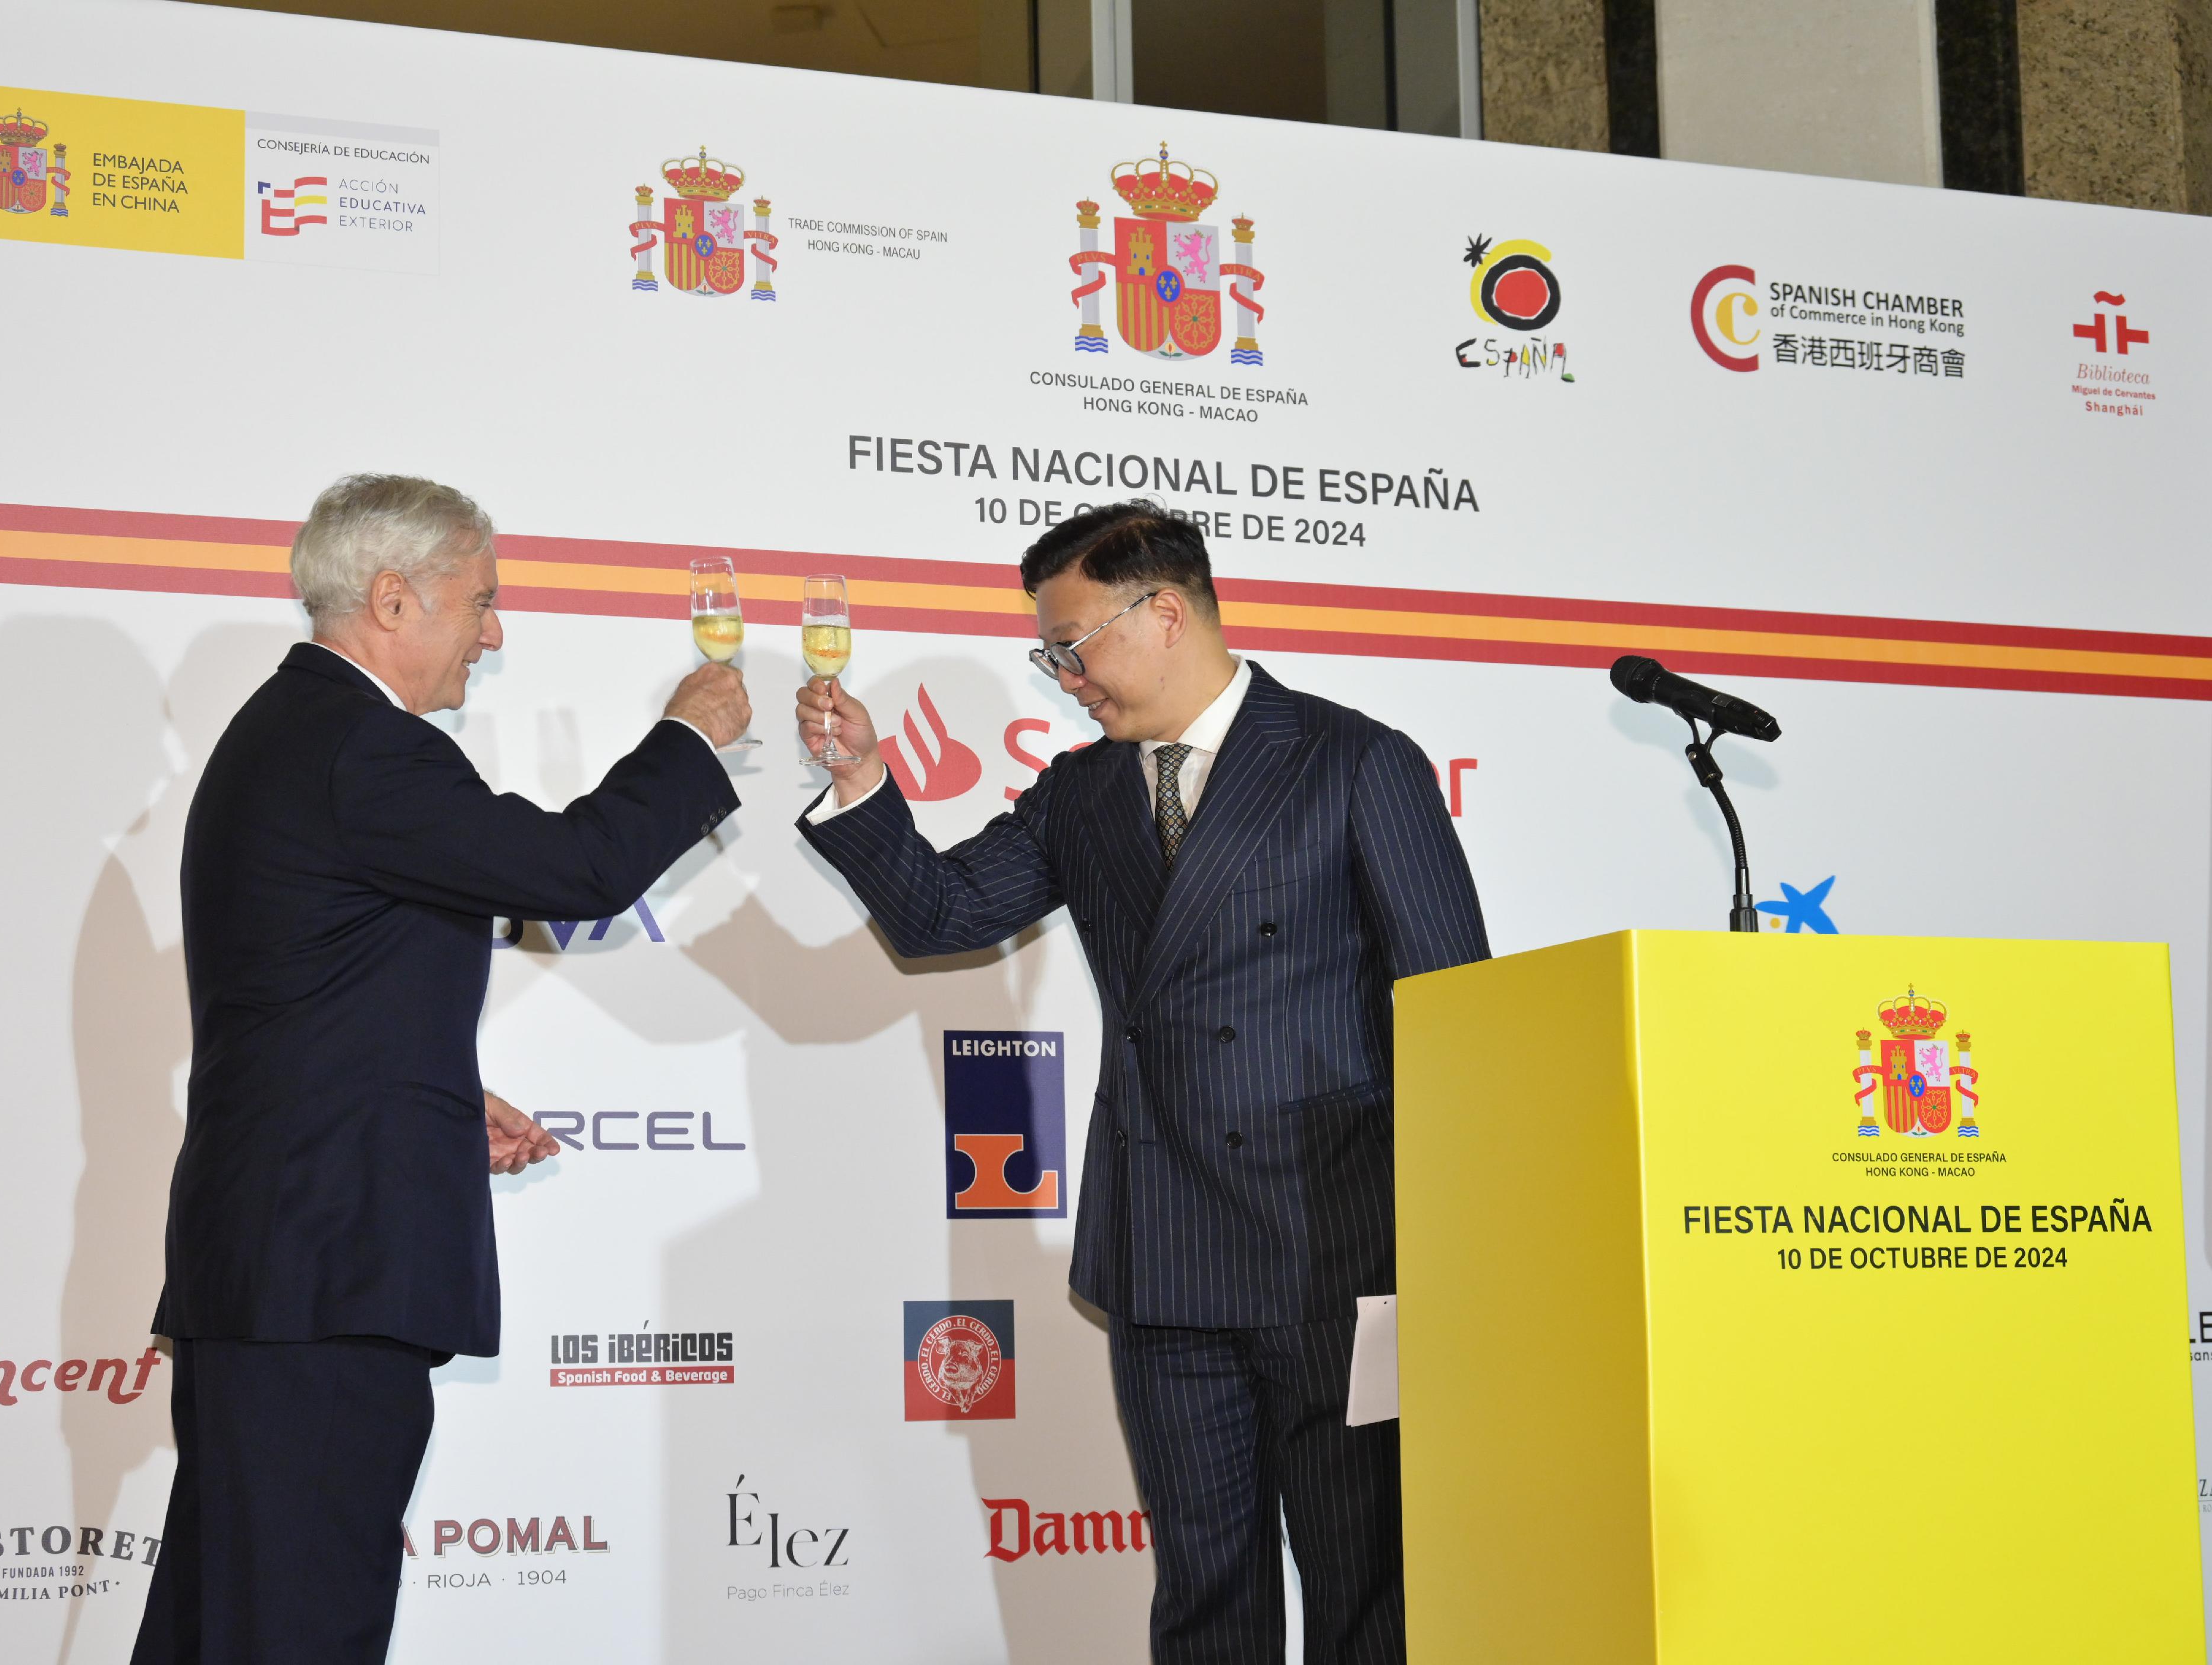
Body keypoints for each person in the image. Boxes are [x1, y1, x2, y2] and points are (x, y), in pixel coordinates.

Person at [794, 502, 1488, 1664]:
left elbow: (1456, 1016)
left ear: (1162, 612)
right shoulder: (1083, 793)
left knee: (1366, 1593)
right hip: (1162, 1259)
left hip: (1338, 1257)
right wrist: (866, 778)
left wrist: (1458, 1260)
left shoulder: (1352, 762)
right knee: (1204, 1599)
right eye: (1047, 653)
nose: (1062, 675)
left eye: (1070, 645)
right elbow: (938, 918)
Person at [133, 474, 750, 1664]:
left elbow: (303, 975)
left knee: (225, 1622)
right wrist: (687, 736)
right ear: (392, 598)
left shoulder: (290, 735)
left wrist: (427, 1085)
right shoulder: (365, 748)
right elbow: (575, 869)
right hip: (321, 1273)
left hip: (276, 1267)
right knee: (298, 1627)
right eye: (483, 600)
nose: (496, 631)